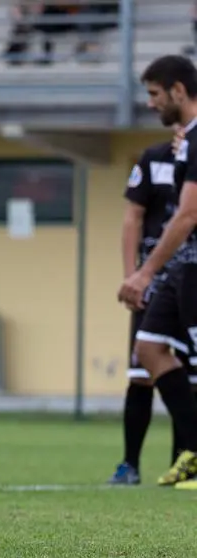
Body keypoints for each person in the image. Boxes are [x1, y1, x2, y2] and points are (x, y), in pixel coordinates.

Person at [119, 54, 197, 488]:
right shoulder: (180, 144)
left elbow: (187, 214)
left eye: (154, 94)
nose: (150, 103)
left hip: (186, 268)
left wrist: (143, 272)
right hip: (181, 269)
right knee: (148, 348)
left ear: (178, 91)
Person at [109, 137, 190, 485]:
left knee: (190, 373)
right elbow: (132, 218)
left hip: (190, 276)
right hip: (154, 282)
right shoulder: (153, 159)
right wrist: (134, 276)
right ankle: (130, 464)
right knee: (142, 368)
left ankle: (183, 459)